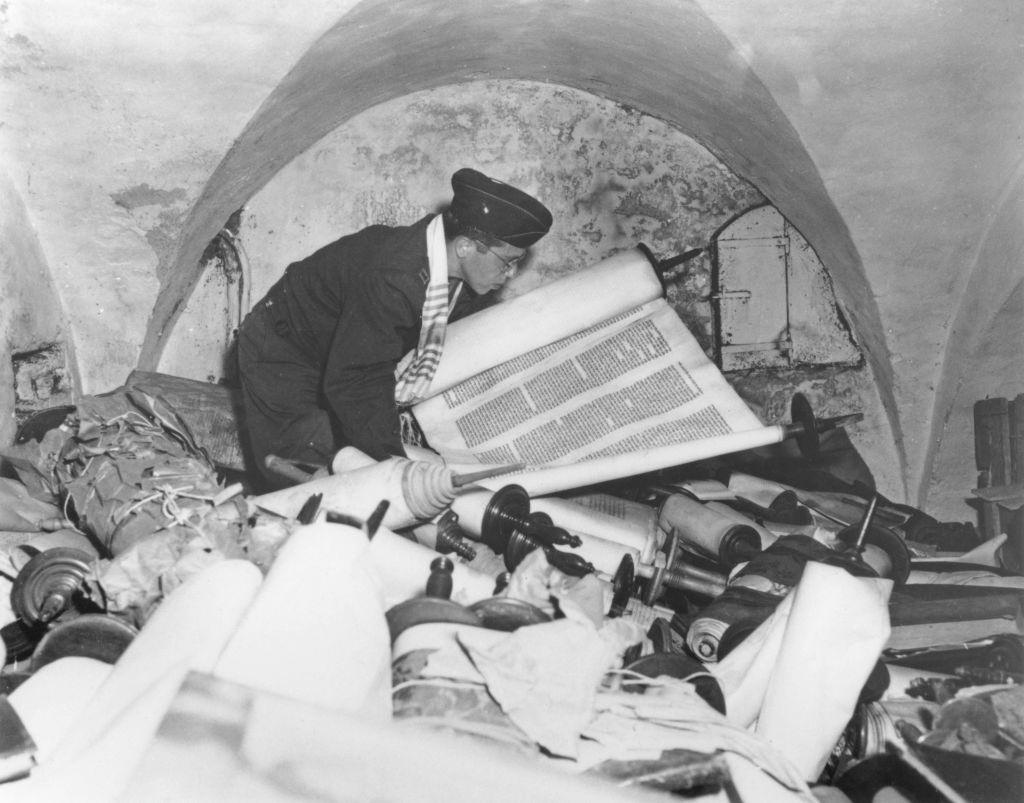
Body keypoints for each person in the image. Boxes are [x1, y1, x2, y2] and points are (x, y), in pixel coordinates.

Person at [236, 167, 552, 489]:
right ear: (466, 248)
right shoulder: (394, 277)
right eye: (507, 261)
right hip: (283, 350)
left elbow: (472, 328)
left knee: (351, 458)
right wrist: (393, 467)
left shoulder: (454, 272)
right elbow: (355, 380)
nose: (511, 274)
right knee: (303, 475)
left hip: (338, 351)